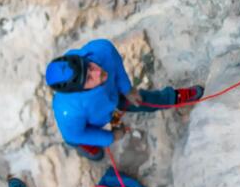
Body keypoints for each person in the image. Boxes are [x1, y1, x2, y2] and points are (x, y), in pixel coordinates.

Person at [45, 39, 203, 161]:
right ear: (77, 90)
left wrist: (127, 89)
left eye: (90, 67)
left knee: (144, 100)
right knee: (77, 140)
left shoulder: (100, 50)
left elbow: (114, 61)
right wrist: (110, 138)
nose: (98, 72)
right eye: (89, 78)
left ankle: (174, 97)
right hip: (92, 118)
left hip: (113, 97)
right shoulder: (68, 111)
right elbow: (75, 134)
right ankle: (87, 147)